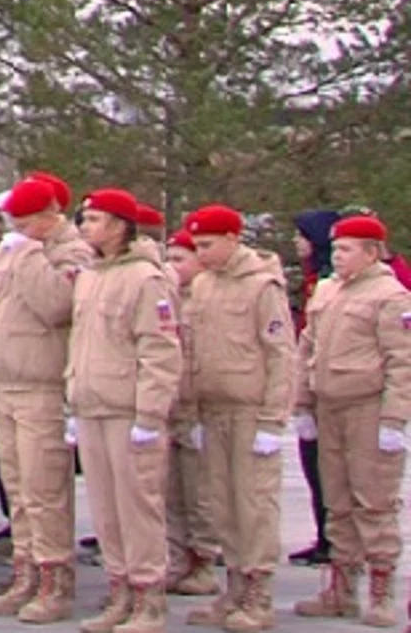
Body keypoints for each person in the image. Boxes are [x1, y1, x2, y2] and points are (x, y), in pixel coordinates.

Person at [66, 190, 183, 633]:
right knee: (106, 508)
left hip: (128, 410)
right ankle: (120, 591)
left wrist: (150, 416)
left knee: (138, 507)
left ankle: (148, 596)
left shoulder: (145, 278)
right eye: (84, 218)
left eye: (95, 219)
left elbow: (160, 349)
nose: (85, 227)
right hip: (93, 405)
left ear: (119, 225)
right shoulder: (91, 276)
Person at [0, 173, 91, 622]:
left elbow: (54, 307)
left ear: (49, 216)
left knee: (45, 491)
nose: (16, 229)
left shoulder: (71, 252)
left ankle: (54, 578)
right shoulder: (14, 252)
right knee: (18, 489)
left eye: (25, 221)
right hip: (6, 382)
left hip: (42, 386)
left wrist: (28, 257)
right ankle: (24, 571)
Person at [292, 214, 411, 626]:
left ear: (372, 252)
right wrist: (302, 403)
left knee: (373, 501)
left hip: (368, 407)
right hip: (330, 407)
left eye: (346, 249)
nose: (337, 256)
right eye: (336, 248)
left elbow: (402, 362)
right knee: (337, 502)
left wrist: (394, 420)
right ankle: (340, 588)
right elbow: (307, 347)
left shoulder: (390, 296)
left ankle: (381, 590)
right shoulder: (326, 290)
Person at [181, 204, 295, 632]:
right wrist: (191, 409)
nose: (201, 253)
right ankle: (233, 584)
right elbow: (191, 351)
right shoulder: (204, 284)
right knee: (221, 504)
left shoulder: (262, 286)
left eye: (208, 245)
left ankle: (258, 591)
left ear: (233, 238)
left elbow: (281, 355)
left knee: (253, 504)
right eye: (196, 246)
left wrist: (272, 419)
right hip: (213, 410)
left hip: (250, 412)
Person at [163, 231, 222, 597]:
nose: (173, 266)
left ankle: (204, 560)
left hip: (199, 406)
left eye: (180, 259)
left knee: (200, 491)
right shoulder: (168, 298)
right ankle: (176, 557)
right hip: (171, 406)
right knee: (171, 492)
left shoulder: (207, 299)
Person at [288, 209, 341, 568]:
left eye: (302, 235)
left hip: (341, 390)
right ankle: (325, 536)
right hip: (312, 386)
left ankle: (338, 542)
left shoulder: (331, 281)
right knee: (314, 467)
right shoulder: (314, 280)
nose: (296, 242)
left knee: (334, 472)